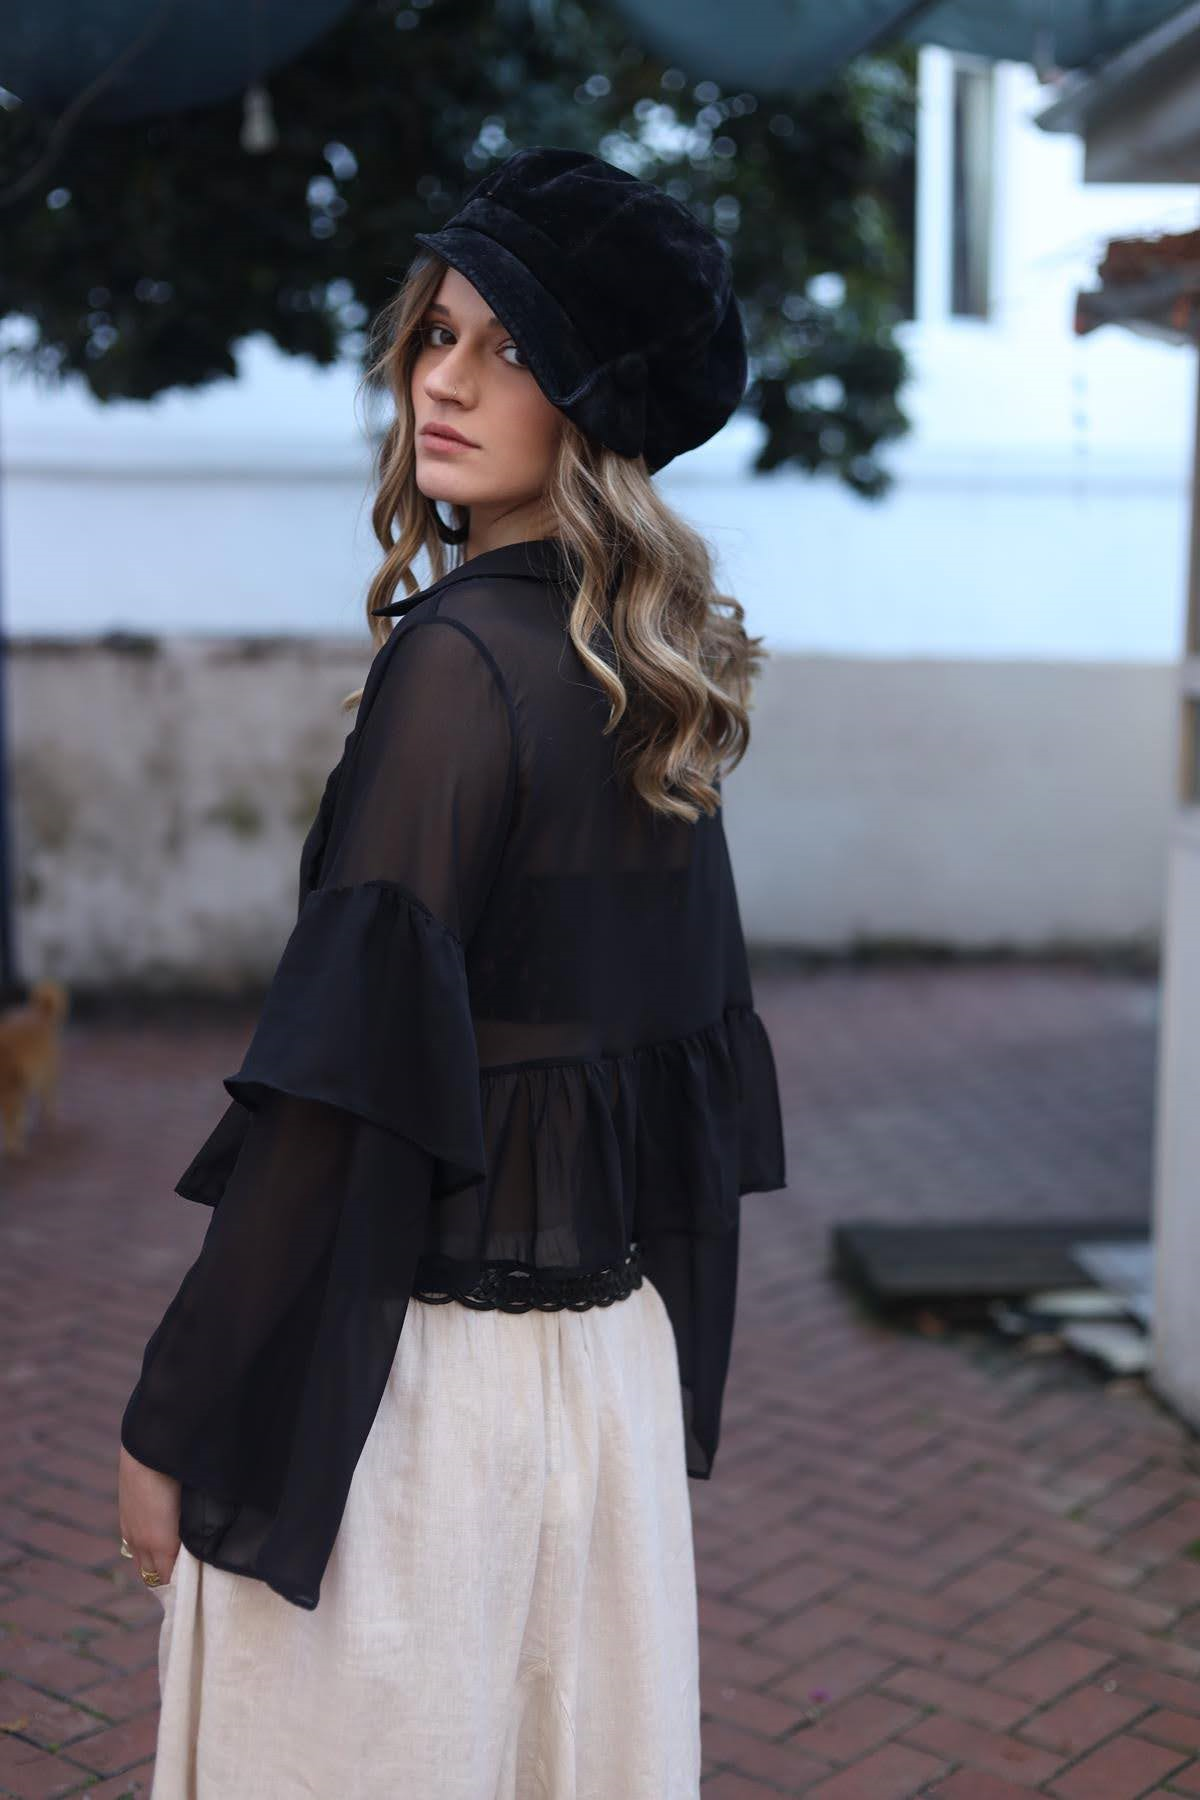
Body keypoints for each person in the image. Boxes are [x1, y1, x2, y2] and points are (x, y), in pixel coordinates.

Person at [116, 144, 787, 1799]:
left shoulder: (462, 665)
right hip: (605, 1386)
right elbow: (671, 1090)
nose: (447, 380)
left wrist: (175, 1415)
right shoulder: (640, 679)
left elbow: (343, 1096)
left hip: (419, 1414)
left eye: (511, 346)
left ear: (595, 402)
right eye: (437, 333)